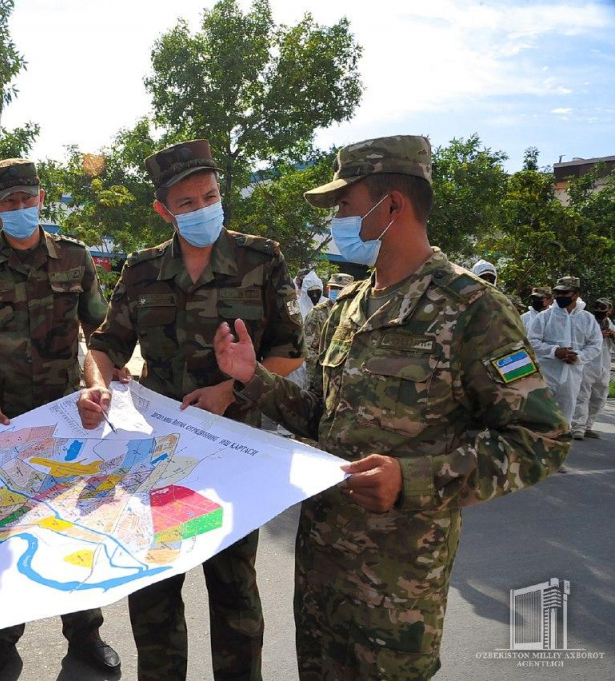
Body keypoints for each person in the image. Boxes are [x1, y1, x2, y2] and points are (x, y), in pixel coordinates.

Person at [212, 135, 569, 680]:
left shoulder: (474, 309)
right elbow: (322, 420)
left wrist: (413, 479)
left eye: (344, 206)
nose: (335, 219)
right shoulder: (342, 310)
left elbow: (540, 439)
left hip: (397, 586)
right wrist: (251, 378)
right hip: (321, 571)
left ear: (392, 206)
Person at [78, 139, 305, 681]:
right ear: (164, 210)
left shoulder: (262, 259)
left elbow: (290, 353)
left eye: (210, 195)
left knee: (234, 595)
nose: (204, 208)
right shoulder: (142, 271)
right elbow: (105, 345)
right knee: (154, 594)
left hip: (233, 453)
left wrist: (229, 391)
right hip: (160, 458)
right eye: (188, 202)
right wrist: (96, 384)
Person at [0, 158, 120, 678]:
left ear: (40, 196)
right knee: (2, 532)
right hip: (3, 423)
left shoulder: (75, 257)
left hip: (68, 419)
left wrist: (96, 385)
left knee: (73, 529)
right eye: (9, 203)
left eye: (28, 199)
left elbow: (99, 335)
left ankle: (85, 636)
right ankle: (2, 639)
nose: (21, 209)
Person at [526, 276, 602, 423]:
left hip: (571, 379)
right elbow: (531, 341)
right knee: (538, 420)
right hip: (546, 376)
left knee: (563, 422)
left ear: (576, 294)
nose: (561, 296)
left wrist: (578, 356)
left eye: (565, 293)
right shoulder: (545, 316)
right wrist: (555, 351)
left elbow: (595, 345)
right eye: (558, 293)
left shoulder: (587, 319)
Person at [572, 298, 613, 440]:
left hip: (604, 366)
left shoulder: (611, 325)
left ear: (609, 310)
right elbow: (577, 339)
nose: (599, 310)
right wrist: (597, 336)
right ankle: (577, 427)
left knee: (600, 398)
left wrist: (612, 335)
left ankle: (588, 426)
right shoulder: (587, 321)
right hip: (587, 364)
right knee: (582, 396)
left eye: (603, 307)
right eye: (597, 307)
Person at [303, 272, 354, 386]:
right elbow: (307, 347)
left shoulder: (355, 314)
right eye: (334, 288)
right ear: (328, 288)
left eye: (342, 288)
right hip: (318, 376)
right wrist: (326, 364)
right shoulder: (317, 312)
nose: (338, 291)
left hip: (345, 377)